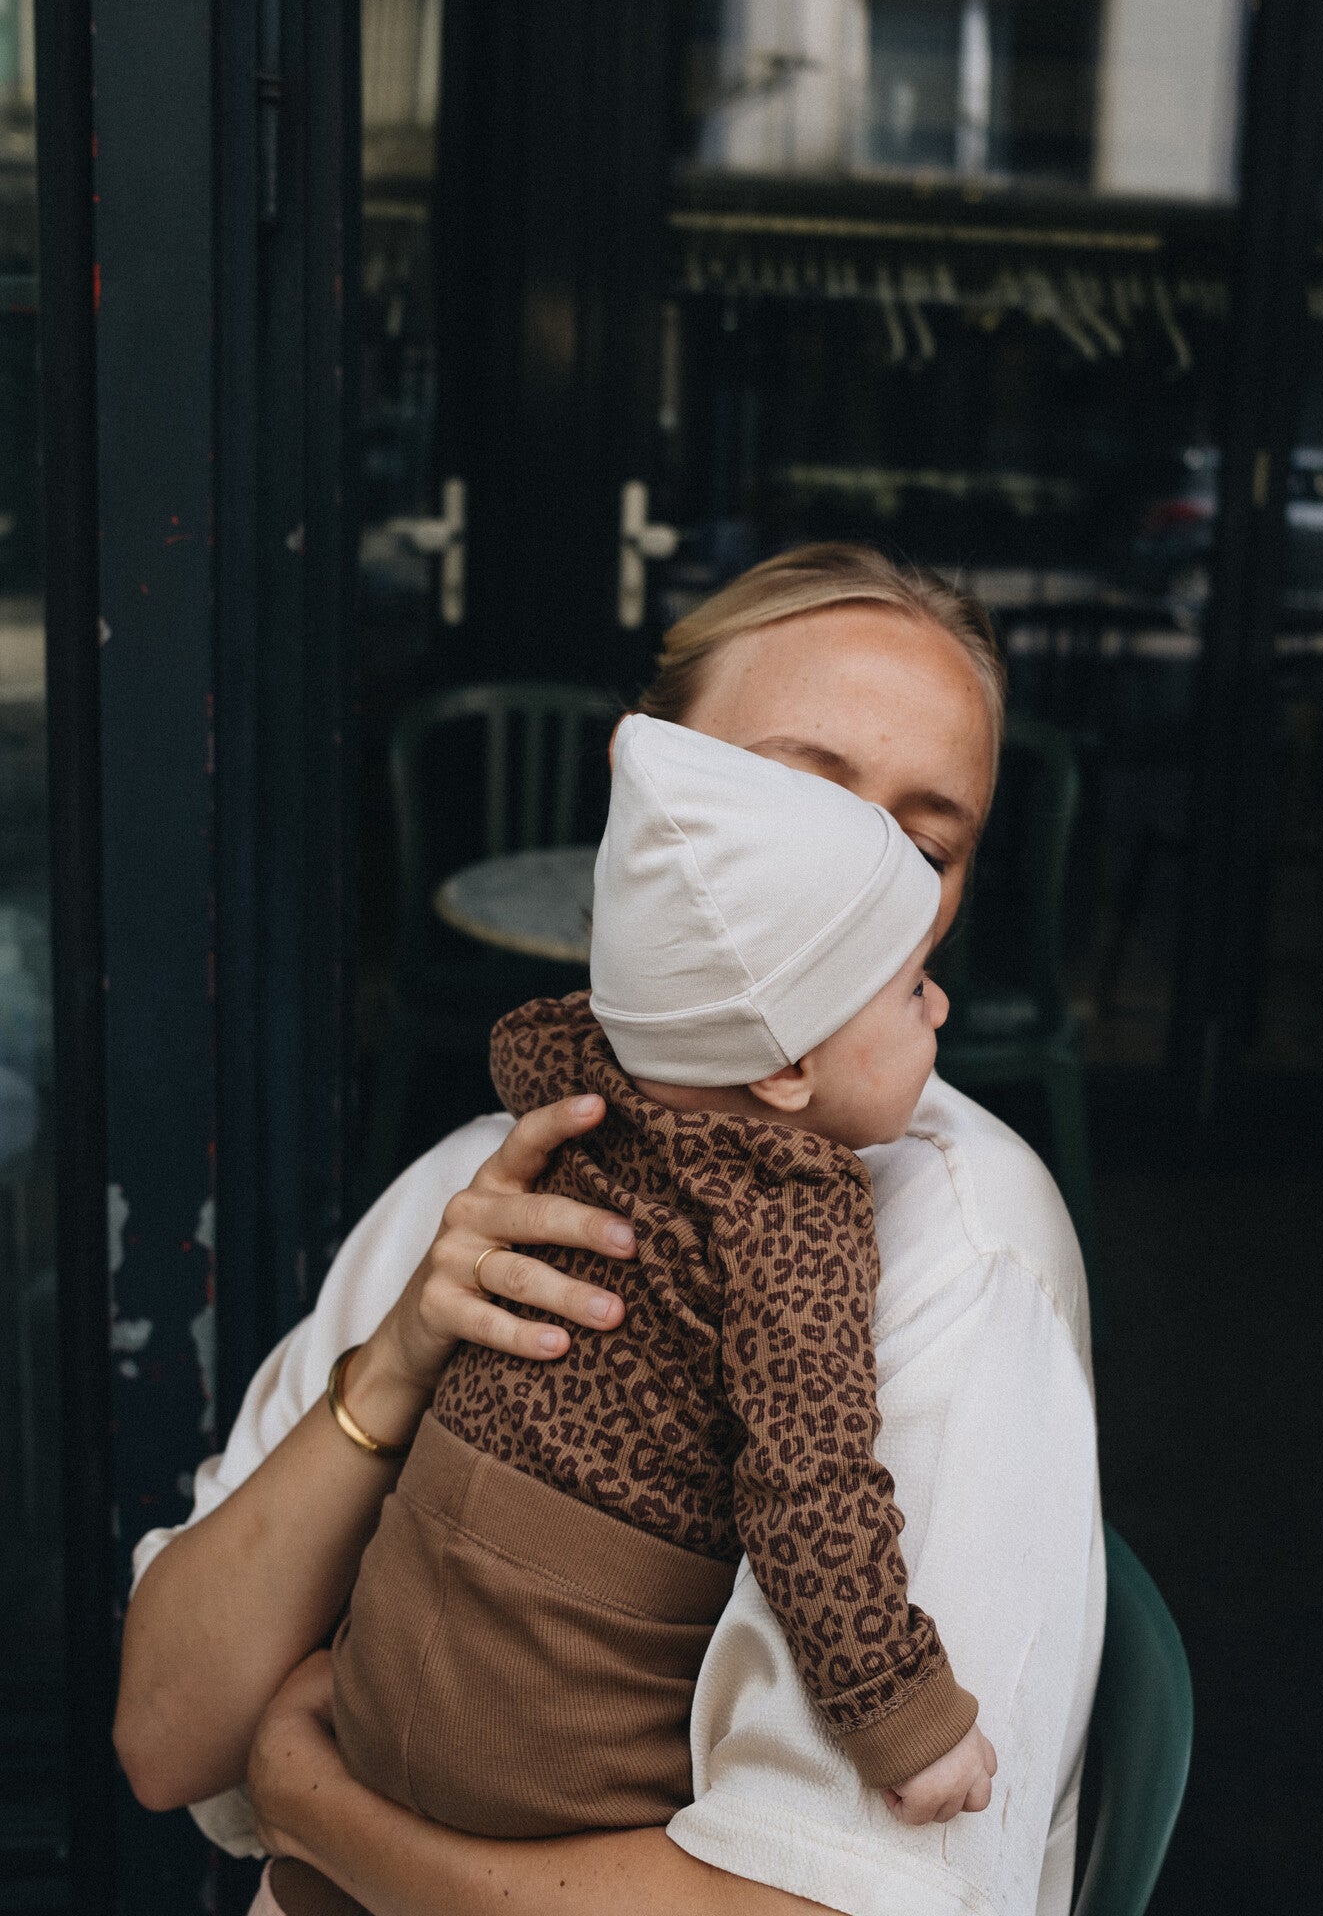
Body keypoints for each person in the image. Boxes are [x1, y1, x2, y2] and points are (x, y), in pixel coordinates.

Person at [115, 545, 1104, 1916]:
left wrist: (322, 1810)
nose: (864, 881)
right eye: (800, 801)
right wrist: (394, 1370)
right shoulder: (494, 1173)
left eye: (923, 848)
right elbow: (165, 1737)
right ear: (649, 816)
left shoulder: (948, 1253)